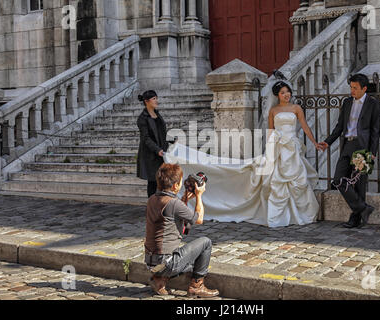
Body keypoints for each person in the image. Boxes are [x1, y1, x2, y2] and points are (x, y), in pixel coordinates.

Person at [163, 80, 320, 228]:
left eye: (287, 92)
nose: (286, 95)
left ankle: (300, 214)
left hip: (292, 148)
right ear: (277, 96)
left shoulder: (296, 108)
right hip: (278, 148)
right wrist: (269, 150)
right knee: (277, 182)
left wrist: (315, 143)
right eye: (282, 93)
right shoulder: (274, 110)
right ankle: (280, 216)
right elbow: (271, 131)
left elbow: (305, 127)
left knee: (298, 181)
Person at [144, 163, 220, 298]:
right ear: (175, 186)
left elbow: (174, 217)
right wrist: (199, 195)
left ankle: (159, 280)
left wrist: (184, 199)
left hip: (151, 262)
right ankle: (197, 286)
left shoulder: (152, 199)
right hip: (167, 263)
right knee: (205, 243)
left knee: (193, 261)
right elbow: (199, 219)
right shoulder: (173, 203)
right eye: (180, 182)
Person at [318, 74, 380, 228]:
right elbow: (339, 127)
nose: (352, 91)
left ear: (364, 88)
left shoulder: (373, 104)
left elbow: (376, 131)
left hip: (363, 147)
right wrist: (327, 142)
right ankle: (363, 208)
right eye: (351, 87)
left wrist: (373, 152)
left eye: (355, 88)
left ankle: (355, 219)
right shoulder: (347, 103)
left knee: (359, 184)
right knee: (338, 179)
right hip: (347, 145)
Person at [137, 90, 169, 198]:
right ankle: (152, 206)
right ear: (146, 101)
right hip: (151, 155)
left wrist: (170, 141)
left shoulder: (157, 114)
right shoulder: (142, 118)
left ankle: (160, 204)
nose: (156, 101)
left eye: (156, 98)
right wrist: (157, 150)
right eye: (154, 99)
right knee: (153, 182)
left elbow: (161, 132)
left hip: (161, 153)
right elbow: (146, 138)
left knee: (162, 181)